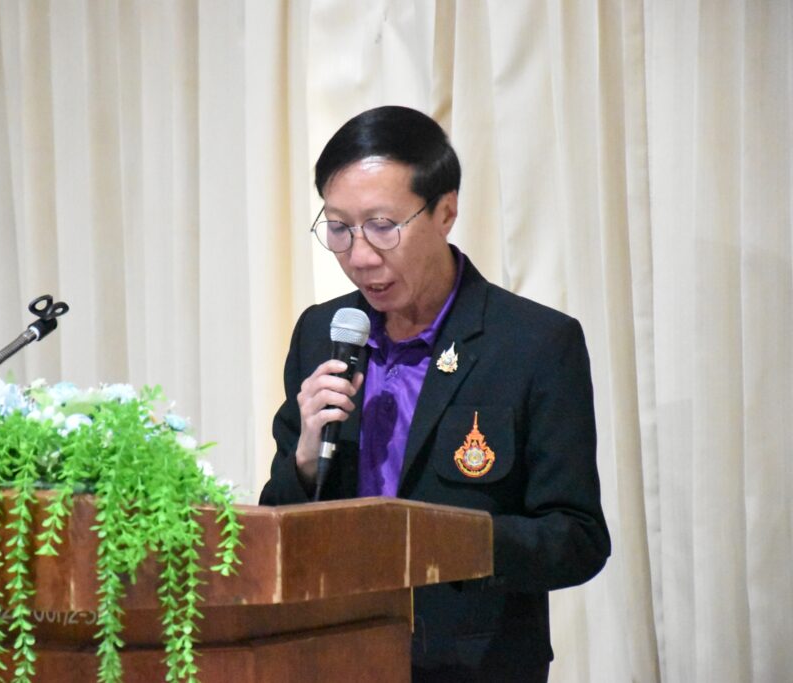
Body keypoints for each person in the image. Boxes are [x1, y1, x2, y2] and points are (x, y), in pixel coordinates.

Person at [259, 105, 610, 682]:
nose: (360, 255)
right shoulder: (322, 333)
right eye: (339, 228)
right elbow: (279, 524)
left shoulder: (534, 343)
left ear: (445, 212)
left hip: (472, 667)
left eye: (382, 226)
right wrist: (302, 465)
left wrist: (444, 542)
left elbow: (577, 539)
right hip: (331, 658)